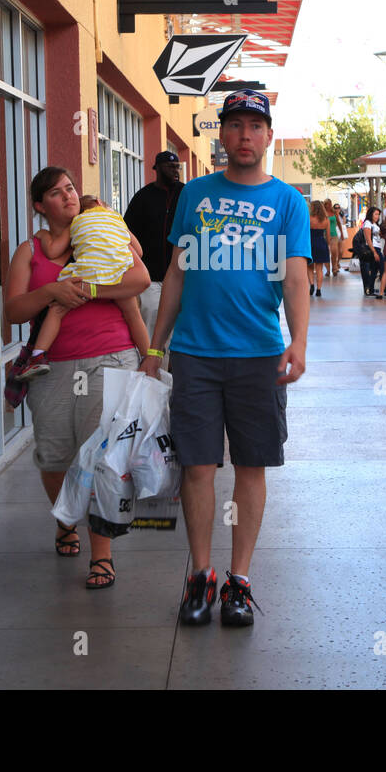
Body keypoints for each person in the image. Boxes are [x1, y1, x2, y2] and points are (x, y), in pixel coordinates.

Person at [141, 89, 309, 628]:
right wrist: (154, 345)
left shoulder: (288, 202)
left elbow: (297, 276)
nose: (243, 135)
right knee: (198, 467)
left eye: (253, 127)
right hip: (194, 353)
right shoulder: (195, 196)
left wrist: (298, 341)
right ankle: (200, 574)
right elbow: (176, 274)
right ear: (222, 135)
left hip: (259, 354)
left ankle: (239, 580)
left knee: (252, 465)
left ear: (267, 136)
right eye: (233, 125)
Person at [2, 167, 150, 589]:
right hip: (51, 367)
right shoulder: (29, 251)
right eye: (55, 192)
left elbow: (138, 280)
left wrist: (149, 358)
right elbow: (12, 312)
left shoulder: (101, 231)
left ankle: (101, 553)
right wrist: (52, 292)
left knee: (103, 460)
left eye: (70, 188)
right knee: (54, 457)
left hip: (110, 358)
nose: (68, 196)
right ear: (39, 206)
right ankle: (65, 519)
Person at [17, 193, 149, 379]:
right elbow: (139, 251)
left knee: (56, 311)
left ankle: (38, 355)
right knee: (133, 314)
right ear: (99, 202)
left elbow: (53, 250)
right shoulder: (116, 219)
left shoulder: (76, 222)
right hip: (117, 273)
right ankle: (147, 357)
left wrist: (43, 235)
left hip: (87, 273)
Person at [123, 150, 184, 338]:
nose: (175, 170)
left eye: (177, 167)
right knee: (150, 318)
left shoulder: (186, 194)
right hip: (150, 277)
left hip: (182, 275)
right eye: (170, 167)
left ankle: (172, 366)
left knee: (179, 325)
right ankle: (151, 362)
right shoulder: (143, 197)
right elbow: (127, 233)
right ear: (156, 168)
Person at [359, 206, 383, 297]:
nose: (377, 216)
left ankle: (371, 289)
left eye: (378, 214)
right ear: (370, 214)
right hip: (372, 249)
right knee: (381, 268)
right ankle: (384, 289)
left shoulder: (375, 224)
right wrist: (374, 252)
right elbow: (368, 239)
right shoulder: (368, 223)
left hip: (377, 248)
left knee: (374, 270)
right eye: (376, 214)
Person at [308, 199, 330, 297]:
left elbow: (304, 233)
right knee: (320, 269)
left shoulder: (309, 219)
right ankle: (319, 289)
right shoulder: (326, 220)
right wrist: (327, 245)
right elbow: (328, 236)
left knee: (309, 267)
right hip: (321, 242)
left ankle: (312, 284)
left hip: (310, 243)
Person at [327, 200, 345, 276]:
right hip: (325, 234)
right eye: (325, 204)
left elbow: (339, 223)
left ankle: (334, 267)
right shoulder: (323, 213)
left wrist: (342, 233)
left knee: (334, 252)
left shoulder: (334, 213)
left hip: (334, 234)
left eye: (328, 204)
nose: (327, 205)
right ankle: (328, 270)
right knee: (326, 253)